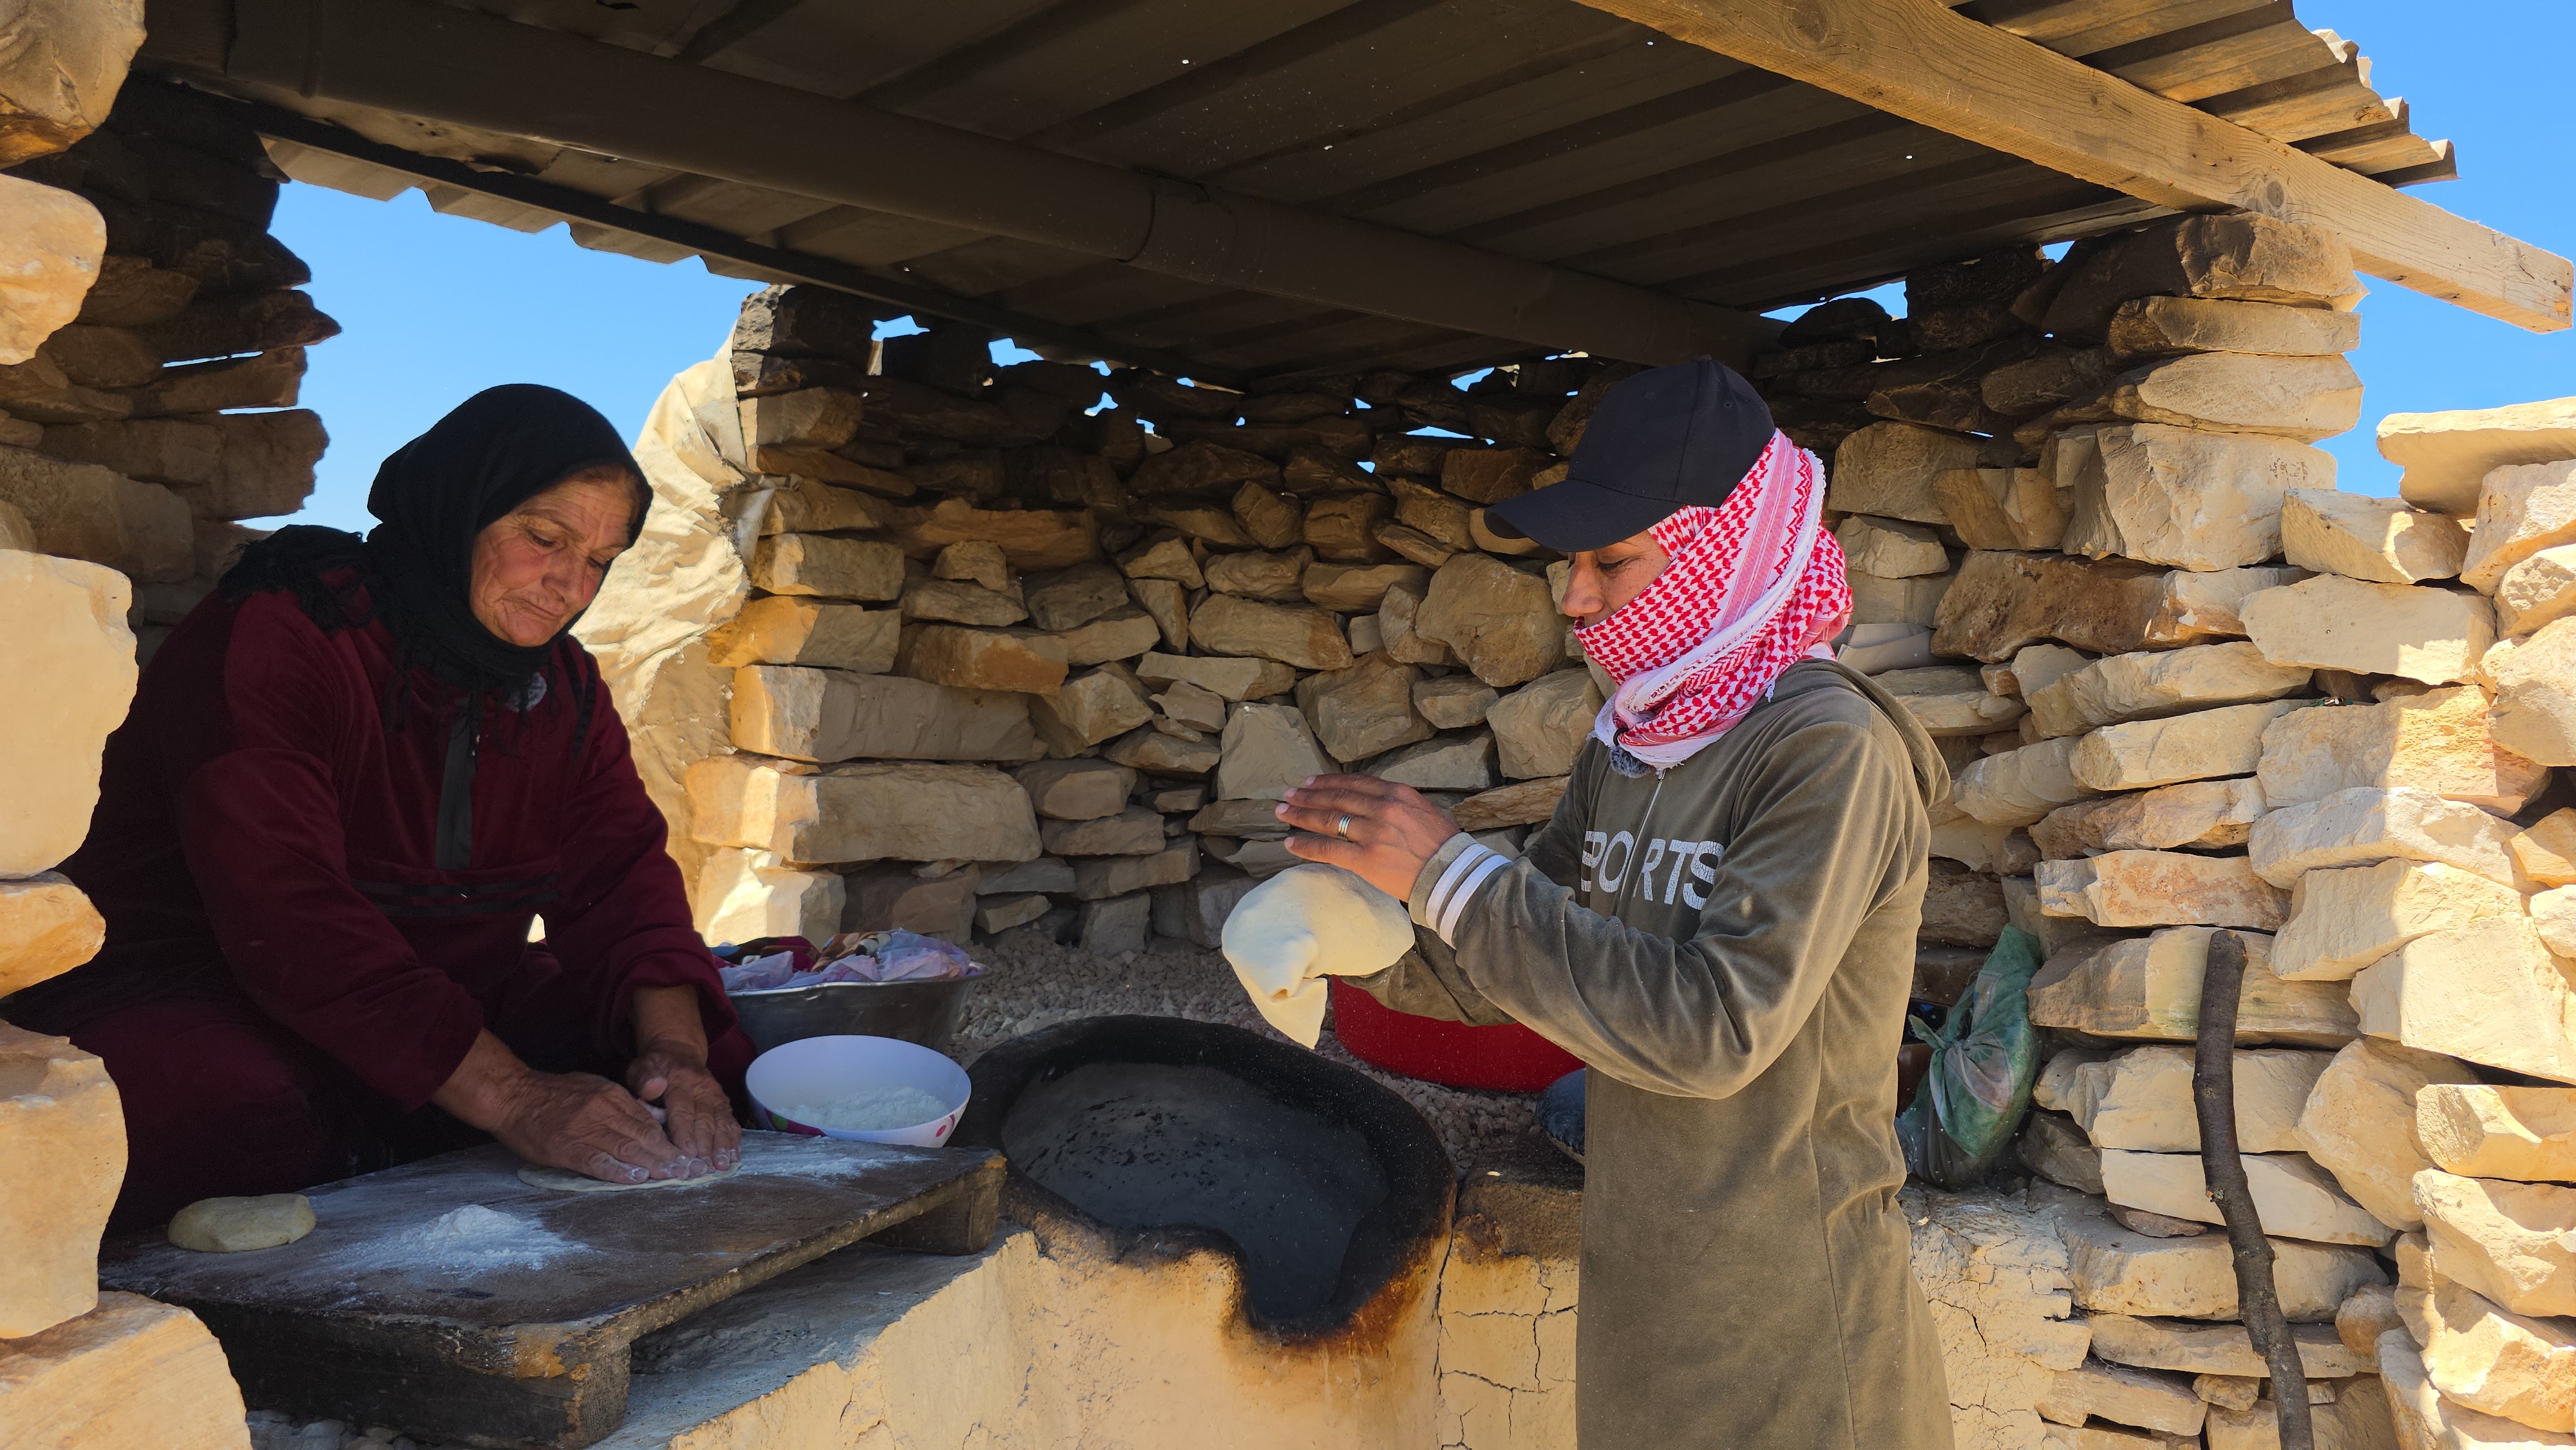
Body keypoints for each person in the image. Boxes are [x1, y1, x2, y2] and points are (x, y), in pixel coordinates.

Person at [1275, 359, 1955, 1450]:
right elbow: (1525, 950)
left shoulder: (1829, 751)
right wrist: (1350, 926)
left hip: (1795, 1328)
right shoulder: (1637, 742)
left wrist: (1450, 871)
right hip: (1648, 1302)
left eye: (1612, 561)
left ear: (1723, 555)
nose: (1576, 597)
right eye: (1571, 565)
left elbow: (1715, 1031)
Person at [9, 385, 749, 1226]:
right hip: (213, 990)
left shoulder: (563, 692)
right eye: (545, 539)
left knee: (699, 1058)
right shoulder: (290, 634)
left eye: (599, 562)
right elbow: (289, 918)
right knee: (223, 1104)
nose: (569, 587)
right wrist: (513, 1099)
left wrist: (678, 1061)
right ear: (459, 508)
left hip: (448, 1006)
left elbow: (623, 887)